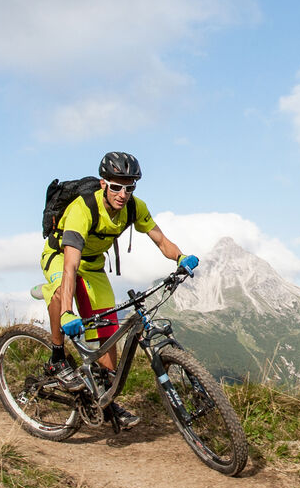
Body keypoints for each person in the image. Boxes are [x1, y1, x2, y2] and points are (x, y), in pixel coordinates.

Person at [43, 151, 198, 429]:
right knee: (59, 293)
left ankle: (106, 397)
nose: (123, 194)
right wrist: (68, 311)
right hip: (61, 257)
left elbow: (161, 239)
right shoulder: (83, 209)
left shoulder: (134, 207)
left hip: (94, 265)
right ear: (104, 184)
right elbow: (70, 267)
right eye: (116, 186)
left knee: (107, 329)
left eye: (130, 187)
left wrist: (180, 258)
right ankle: (56, 358)